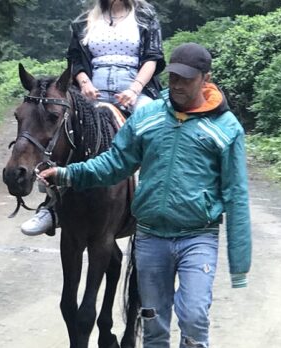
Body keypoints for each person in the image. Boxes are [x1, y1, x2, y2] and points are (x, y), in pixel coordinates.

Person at [38, 43, 252, 348]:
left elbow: (237, 195)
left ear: (206, 78)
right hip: (151, 237)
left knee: (193, 316)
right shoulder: (149, 116)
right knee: (152, 322)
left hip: (197, 237)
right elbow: (114, 163)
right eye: (174, 77)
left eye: (186, 79)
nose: (177, 85)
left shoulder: (226, 128)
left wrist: (239, 262)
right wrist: (68, 174)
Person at [20, 0, 165, 236]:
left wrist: (135, 89)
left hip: (135, 91)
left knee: (154, 128)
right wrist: (85, 84)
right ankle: (51, 205)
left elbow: (153, 57)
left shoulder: (146, 16)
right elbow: (75, 58)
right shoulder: (84, 21)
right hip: (92, 92)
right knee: (63, 127)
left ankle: (151, 200)